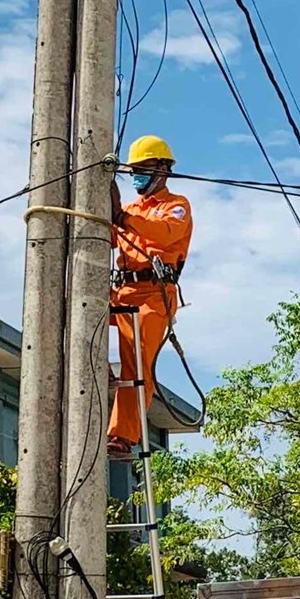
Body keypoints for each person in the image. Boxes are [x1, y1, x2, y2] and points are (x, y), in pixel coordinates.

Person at [107, 135, 194, 458]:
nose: (137, 177)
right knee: (74, 320)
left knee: (137, 364)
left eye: (143, 169)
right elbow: (105, 234)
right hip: (121, 290)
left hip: (154, 296)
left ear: (163, 169)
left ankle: (122, 436)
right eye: (133, 171)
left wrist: (123, 218)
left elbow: (163, 233)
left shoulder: (176, 207)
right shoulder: (130, 209)